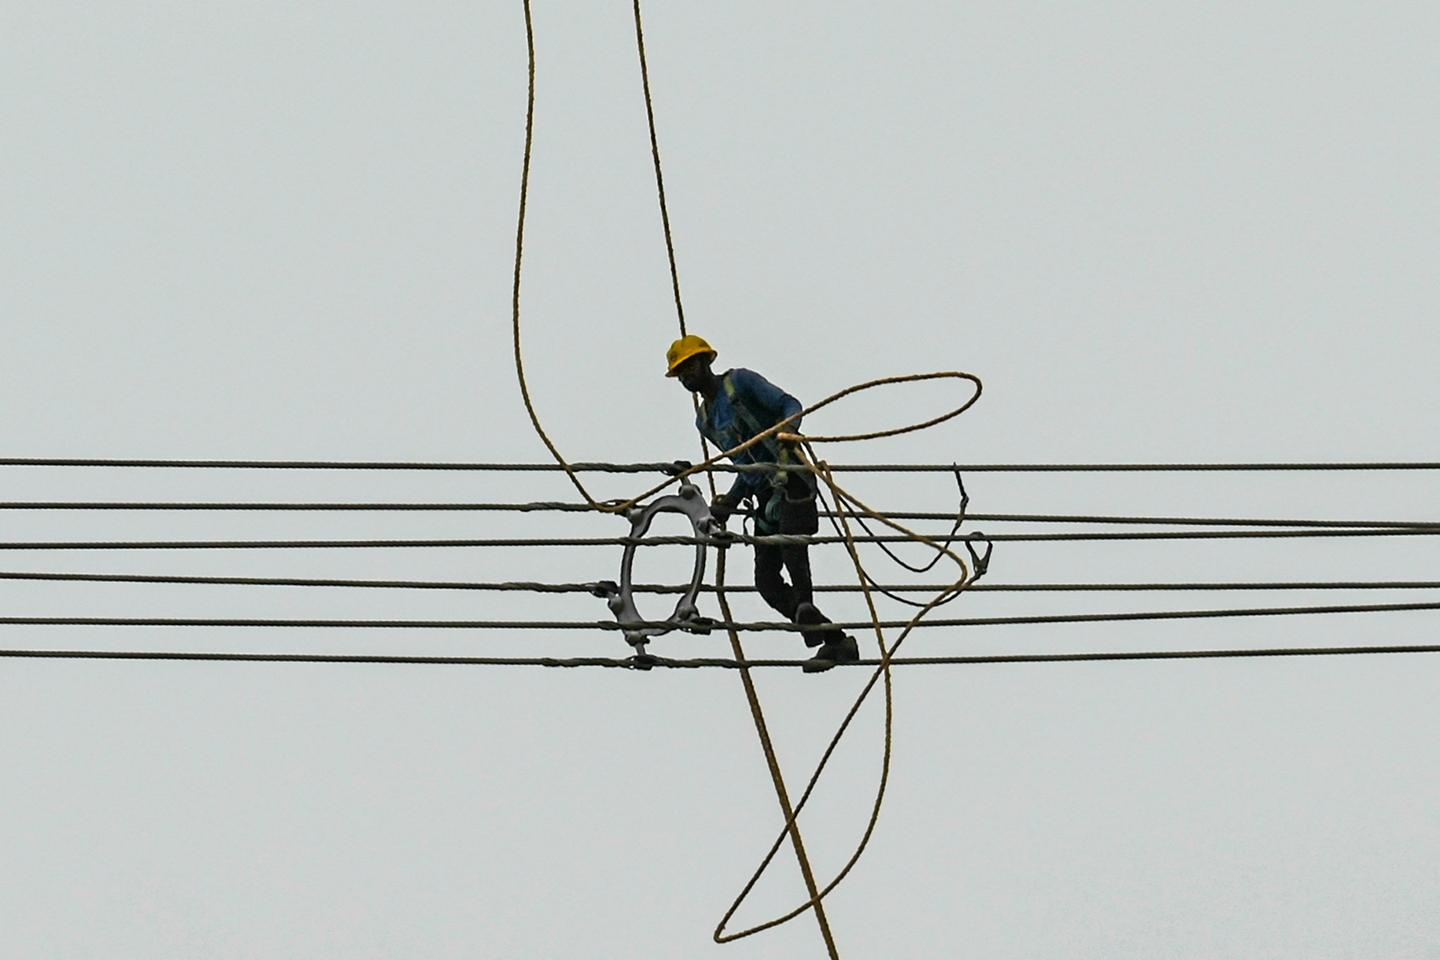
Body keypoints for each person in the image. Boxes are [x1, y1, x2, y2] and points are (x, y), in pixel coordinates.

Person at [666, 334, 860, 671]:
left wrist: (788, 431)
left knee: (790, 541)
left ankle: (805, 605)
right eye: (680, 372)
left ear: (707, 362)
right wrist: (729, 501)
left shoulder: (739, 382)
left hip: (792, 478)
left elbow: (790, 404)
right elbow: (746, 468)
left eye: (691, 366)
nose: (687, 376)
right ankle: (834, 639)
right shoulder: (706, 420)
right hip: (764, 496)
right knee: (766, 583)